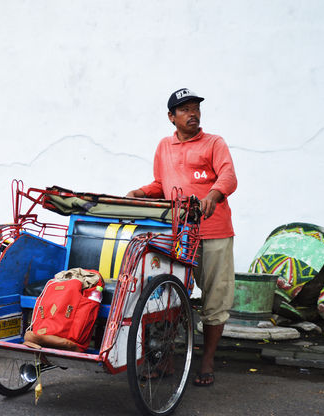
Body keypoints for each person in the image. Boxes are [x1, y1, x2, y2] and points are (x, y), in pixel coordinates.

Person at [126, 88, 237, 387]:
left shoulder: (214, 142)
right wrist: (140, 192)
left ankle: (208, 360)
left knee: (215, 297)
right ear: (171, 117)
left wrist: (214, 194)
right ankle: (167, 360)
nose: (193, 114)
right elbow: (161, 184)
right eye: (185, 109)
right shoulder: (164, 146)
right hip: (177, 235)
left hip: (213, 232)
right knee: (169, 295)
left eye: (196, 108)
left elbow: (228, 176)